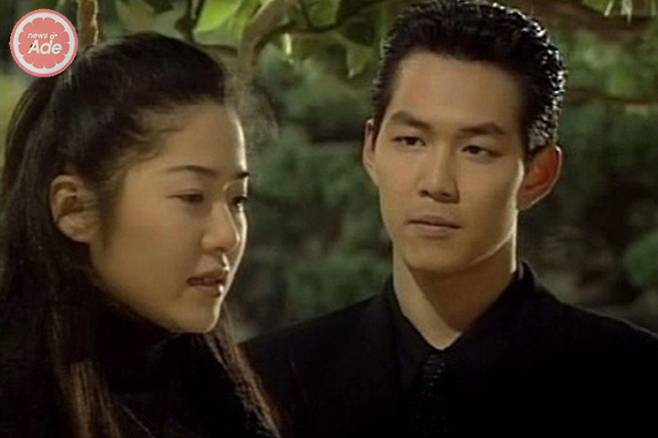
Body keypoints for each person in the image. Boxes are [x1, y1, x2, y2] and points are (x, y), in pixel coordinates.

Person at [244, 1, 658, 436]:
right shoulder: (269, 383)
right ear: (371, 149)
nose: (437, 183)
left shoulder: (630, 380)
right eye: (411, 140)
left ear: (538, 175)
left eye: (476, 149)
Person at [0, 32, 278, 438]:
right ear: (74, 209)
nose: (228, 236)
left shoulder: (217, 395)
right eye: (192, 197)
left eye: (237, 200)